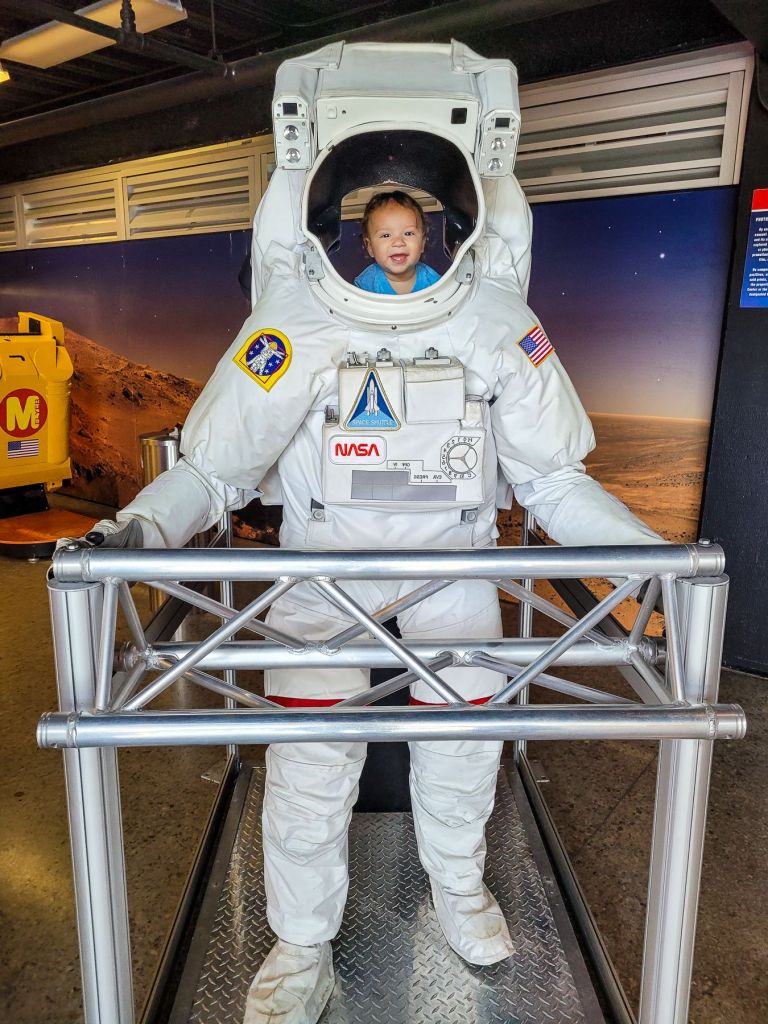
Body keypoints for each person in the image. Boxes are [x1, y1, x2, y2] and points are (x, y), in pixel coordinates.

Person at [69, 43, 665, 1024]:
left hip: (455, 576)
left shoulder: (497, 325)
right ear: (337, 212)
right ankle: (302, 944)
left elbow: (556, 478)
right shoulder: (296, 325)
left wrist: (648, 561)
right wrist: (133, 527)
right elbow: (216, 470)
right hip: (324, 577)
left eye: (411, 221)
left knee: (465, 751)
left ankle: (459, 887)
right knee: (307, 767)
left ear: (452, 216)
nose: (395, 237)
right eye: (377, 221)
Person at [353, 191, 440, 295]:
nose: (398, 242)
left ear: (422, 243)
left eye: (408, 233)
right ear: (370, 247)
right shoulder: (365, 284)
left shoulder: (434, 282)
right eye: (386, 235)